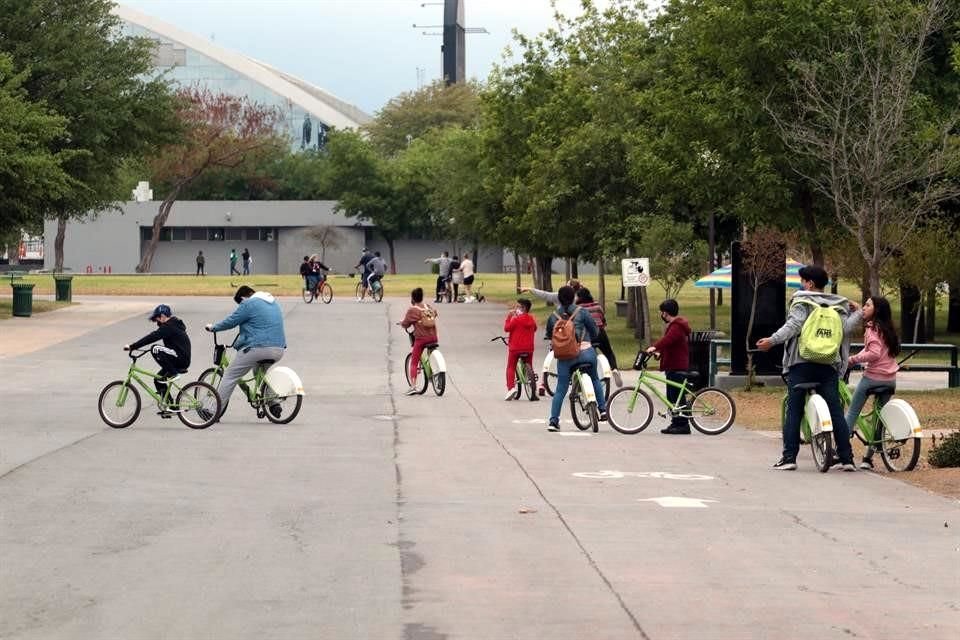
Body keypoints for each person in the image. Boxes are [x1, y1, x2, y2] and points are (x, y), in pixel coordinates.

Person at [757, 264, 862, 471]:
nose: (800, 284)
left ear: (810, 283)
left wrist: (772, 340)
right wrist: (858, 312)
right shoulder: (838, 306)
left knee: (794, 409)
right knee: (836, 412)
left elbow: (793, 326)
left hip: (801, 364)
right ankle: (847, 458)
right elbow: (845, 329)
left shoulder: (802, 302)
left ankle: (789, 458)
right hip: (828, 365)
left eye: (802, 281)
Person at [205, 286, 287, 419]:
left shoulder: (249, 304)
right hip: (278, 349)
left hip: (258, 348)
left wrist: (214, 328)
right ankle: (273, 403)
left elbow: (231, 321)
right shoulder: (273, 302)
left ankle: (213, 410)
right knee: (259, 372)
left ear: (243, 298)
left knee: (230, 375)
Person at [845, 296, 900, 470]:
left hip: (872, 378)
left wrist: (852, 359)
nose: (864, 308)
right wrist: (858, 356)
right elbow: (872, 349)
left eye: (868, 305)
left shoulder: (872, 328)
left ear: (876, 310)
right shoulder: (888, 328)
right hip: (890, 380)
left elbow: (874, 353)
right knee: (880, 418)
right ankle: (868, 458)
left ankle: (841, 450)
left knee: (853, 411)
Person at [545, 285, 606, 431]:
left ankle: (553, 421)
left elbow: (549, 335)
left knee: (561, 389)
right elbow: (594, 330)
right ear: (574, 297)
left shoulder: (553, 316)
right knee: (595, 378)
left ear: (558, 298)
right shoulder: (582, 312)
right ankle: (603, 410)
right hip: (586, 352)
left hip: (566, 357)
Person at [124, 304, 191, 417]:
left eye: (157, 319)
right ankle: (171, 406)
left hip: (180, 358)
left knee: (155, 348)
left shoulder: (169, 326)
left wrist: (133, 346)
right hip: (178, 358)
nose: (157, 322)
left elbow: (152, 337)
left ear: (163, 316)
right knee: (158, 380)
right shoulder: (173, 325)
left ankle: (173, 373)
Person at [645, 299, 692, 434]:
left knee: (677, 396)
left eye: (661, 312)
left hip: (677, 366)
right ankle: (676, 422)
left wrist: (654, 346)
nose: (661, 315)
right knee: (672, 397)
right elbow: (671, 345)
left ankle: (683, 425)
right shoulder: (675, 325)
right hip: (673, 365)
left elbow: (667, 340)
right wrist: (660, 354)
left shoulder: (676, 326)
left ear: (665, 313)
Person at [576, 288, 622, 387]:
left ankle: (586, 379)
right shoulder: (597, 306)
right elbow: (603, 320)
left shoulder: (578, 308)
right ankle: (614, 369)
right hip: (600, 333)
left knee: (585, 357)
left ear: (579, 297)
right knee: (609, 353)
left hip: (587, 335)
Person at [400, 287, 438, 395]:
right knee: (430, 354)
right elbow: (435, 314)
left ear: (413, 298)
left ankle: (413, 386)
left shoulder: (412, 310)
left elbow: (405, 323)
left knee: (414, 361)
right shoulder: (428, 307)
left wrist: (402, 323)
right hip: (434, 337)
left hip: (421, 339)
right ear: (422, 297)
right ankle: (432, 372)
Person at [503, 298, 538, 400]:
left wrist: (509, 317)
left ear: (523, 308)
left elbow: (507, 328)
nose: (515, 308)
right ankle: (532, 389)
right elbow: (535, 328)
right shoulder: (531, 319)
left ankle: (511, 388)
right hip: (529, 348)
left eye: (517, 306)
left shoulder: (516, 319)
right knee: (529, 366)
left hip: (515, 348)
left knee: (511, 367)